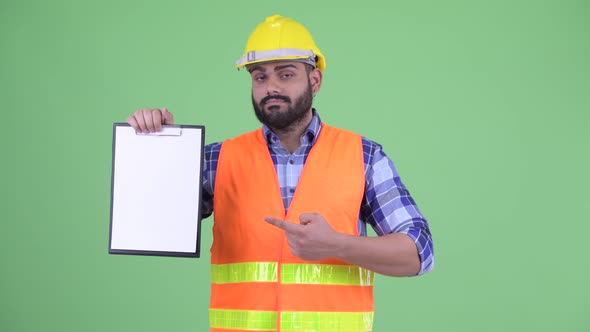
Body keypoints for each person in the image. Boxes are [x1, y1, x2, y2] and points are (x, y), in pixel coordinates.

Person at [127, 14, 433, 332]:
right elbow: (150, 224)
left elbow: (419, 252)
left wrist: (337, 245)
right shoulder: (217, 160)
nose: (270, 87)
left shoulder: (364, 157)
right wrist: (159, 150)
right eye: (259, 77)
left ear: (315, 80)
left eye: (285, 74)